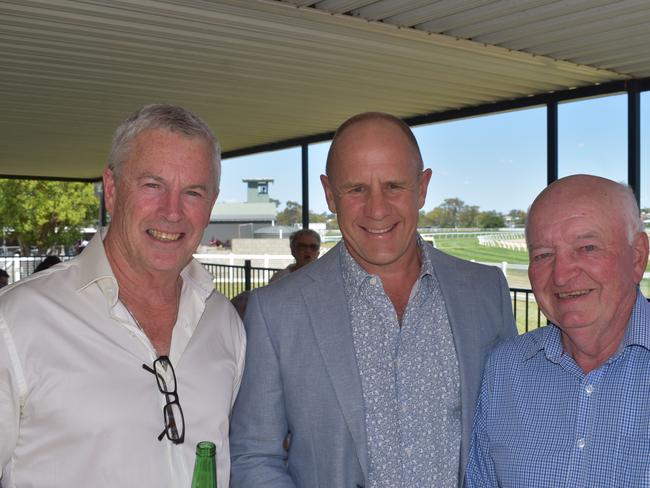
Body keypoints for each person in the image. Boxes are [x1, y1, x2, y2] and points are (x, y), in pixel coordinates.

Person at [230, 112, 517, 488]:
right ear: (330, 194)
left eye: (394, 186)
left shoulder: (485, 291)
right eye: (356, 189)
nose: (377, 209)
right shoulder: (276, 311)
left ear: (423, 187)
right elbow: (254, 455)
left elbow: (512, 430)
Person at [0, 104, 246, 487]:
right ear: (111, 191)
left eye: (193, 192)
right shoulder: (17, 319)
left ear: (212, 202)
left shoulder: (222, 320)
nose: (172, 212)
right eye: (152, 186)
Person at [466, 174, 650, 487]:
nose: (562, 275)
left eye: (587, 247)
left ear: (637, 257)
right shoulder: (505, 369)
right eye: (543, 255)